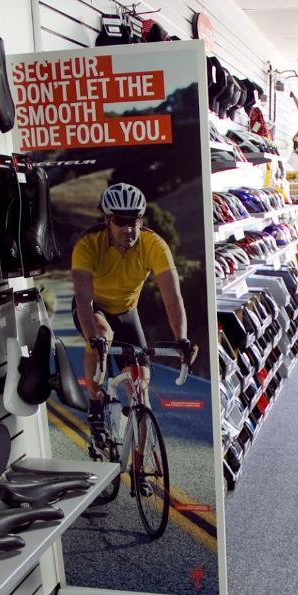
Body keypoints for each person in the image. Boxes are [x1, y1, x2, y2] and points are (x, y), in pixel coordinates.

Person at [71, 181, 195, 448]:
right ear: (107, 220)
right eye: (120, 220)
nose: (128, 228)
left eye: (135, 220)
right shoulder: (88, 244)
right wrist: (93, 337)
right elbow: (83, 299)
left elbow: (172, 299)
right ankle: (94, 404)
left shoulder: (154, 245)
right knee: (103, 335)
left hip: (128, 311)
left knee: (140, 391)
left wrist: (181, 338)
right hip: (94, 309)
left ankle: (140, 470)